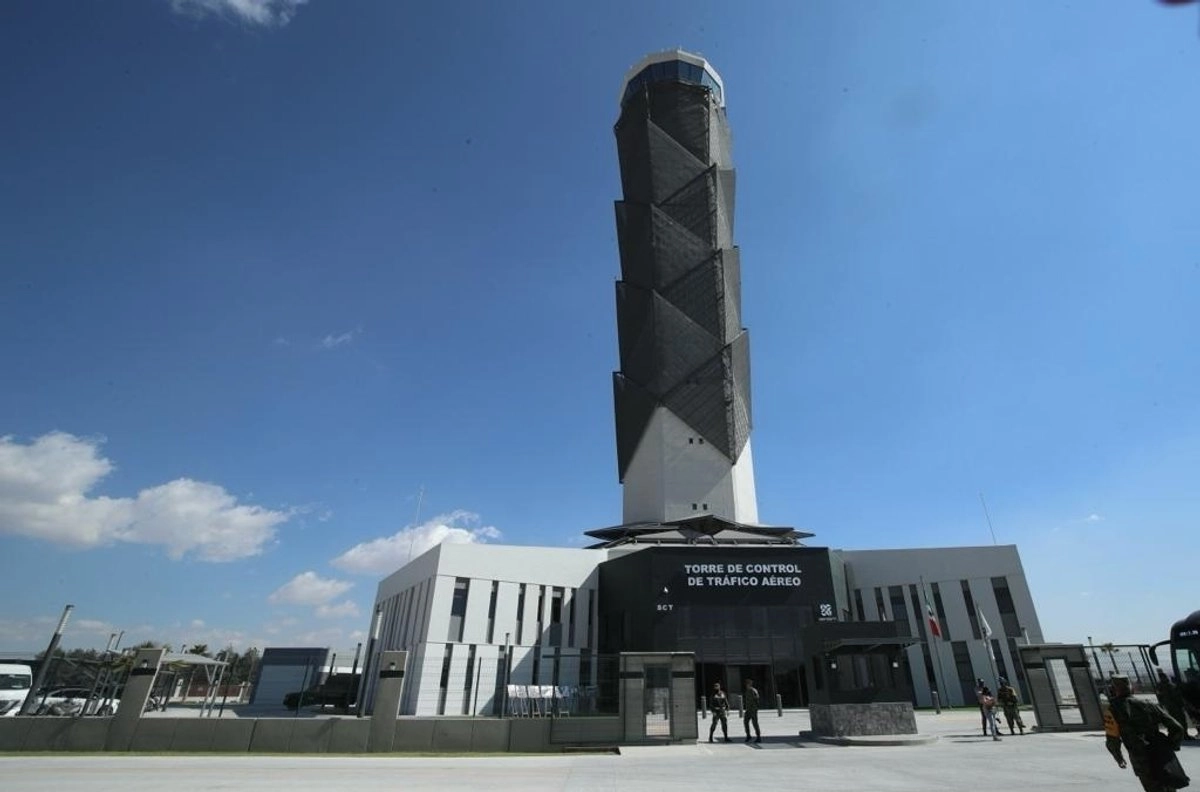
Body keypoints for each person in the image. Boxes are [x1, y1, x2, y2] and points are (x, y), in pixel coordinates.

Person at [1107, 674, 1188, 792]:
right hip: (1161, 753)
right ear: (1131, 687)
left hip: (1140, 758)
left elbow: (1112, 738)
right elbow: (1177, 727)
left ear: (1114, 689)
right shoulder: (1148, 704)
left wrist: (1118, 757)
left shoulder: (1112, 709)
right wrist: (1171, 745)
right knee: (1169, 786)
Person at [1154, 671, 1192, 742]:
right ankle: (1184, 735)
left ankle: (1180, 735)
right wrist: (1182, 704)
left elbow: (1159, 697)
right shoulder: (1169, 686)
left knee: (1175, 721)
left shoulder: (1160, 686)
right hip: (1174, 706)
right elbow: (1176, 696)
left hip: (1169, 706)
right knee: (1181, 721)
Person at [742, 678, 761, 743]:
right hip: (748, 709)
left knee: (755, 723)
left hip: (753, 709)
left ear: (750, 684)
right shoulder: (747, 691)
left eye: (747, 683)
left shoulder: (753, 690)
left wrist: (756, 707)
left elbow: (757, 698)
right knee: (745, 722)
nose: (746, 685)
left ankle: (758, 737)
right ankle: (748, 735)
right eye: (746, 684)